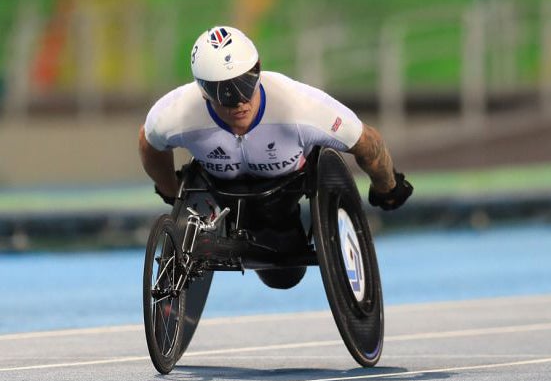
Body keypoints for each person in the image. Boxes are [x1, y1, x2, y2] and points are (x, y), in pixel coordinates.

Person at [139, 25, 413, 288]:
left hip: (285, 193)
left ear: (257, 69)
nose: (239, 101)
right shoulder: (177, 113)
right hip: (219, 190)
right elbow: (149, 142)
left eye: (245, 84)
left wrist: (387, 185)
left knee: (285, 277)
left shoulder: (300, 106)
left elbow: (366, 140)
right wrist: (171, 189)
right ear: (202, 89)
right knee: (279, 275)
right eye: (223, 91)